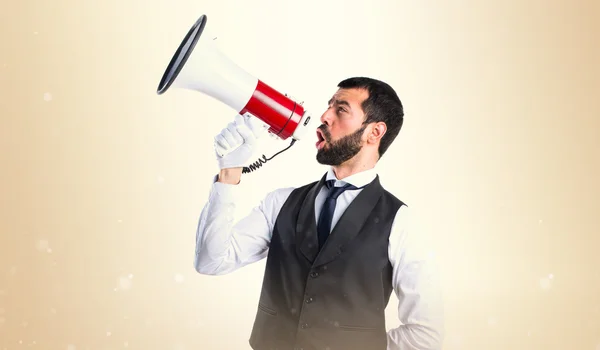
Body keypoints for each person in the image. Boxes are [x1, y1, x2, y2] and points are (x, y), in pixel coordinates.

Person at [194, 77, 445, 350]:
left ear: (375, 132)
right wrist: (229, 172)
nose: (325, 116)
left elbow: (425, 335)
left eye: (341, 109)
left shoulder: (401, 222)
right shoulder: (281, 202)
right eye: (329, 106)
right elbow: (210, 261)